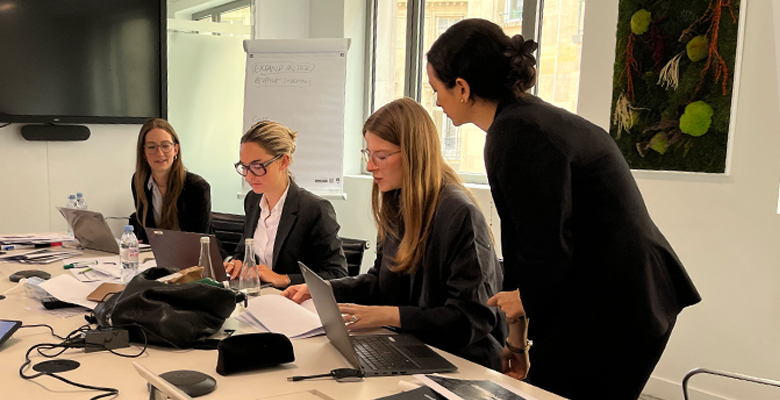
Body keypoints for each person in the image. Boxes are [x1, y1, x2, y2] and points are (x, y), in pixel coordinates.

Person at [426, 18, 701, 399]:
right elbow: (526, 248)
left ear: (462, 87)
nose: (436, 101)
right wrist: (517, 341)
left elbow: (547, 248)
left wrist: (520, 325)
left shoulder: (517, 133)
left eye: (436, 89)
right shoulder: (524, 119)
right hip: (615, 297)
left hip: (618, 305)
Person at [282, 98, 506, 370]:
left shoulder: (459, 213)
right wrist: (329, 289)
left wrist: (390, 315)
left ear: (414, 153)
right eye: (368, 154)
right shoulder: (397, 202)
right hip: (413, 348)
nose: (370, 166)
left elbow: (471, 319)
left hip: (463, 362)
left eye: (382, 156)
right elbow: (382, 281)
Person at [225, 120, 347, 288]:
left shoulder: (314, 209)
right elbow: (244, 250)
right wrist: (236, 262)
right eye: (244, 166)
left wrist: (284, 279)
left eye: (257, 166)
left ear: (284, 162)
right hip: (257, 296)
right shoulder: (253, 200)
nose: (248, 176)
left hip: (294, 302)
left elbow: (337, 274)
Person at [131, 118, 212, 244]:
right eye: (152, 147)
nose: (159, 153)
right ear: (143, 152)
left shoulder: (197, 187)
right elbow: (146, 233)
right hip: (155, 256)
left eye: (165, 146)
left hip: (191, 257)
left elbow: (198, 241)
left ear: (175, 149)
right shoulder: (139, 181)